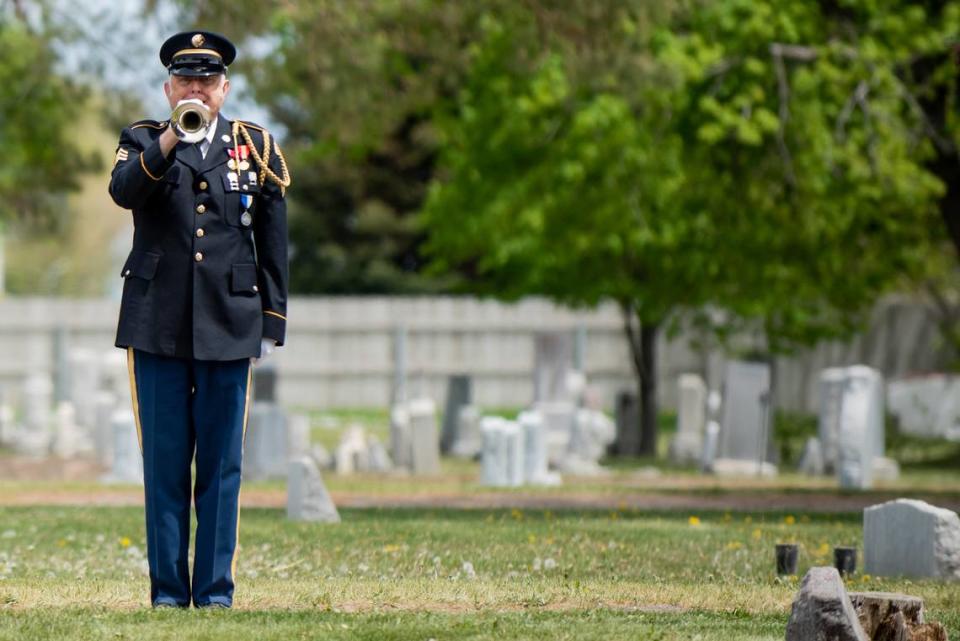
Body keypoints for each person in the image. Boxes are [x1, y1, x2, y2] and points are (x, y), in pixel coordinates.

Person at [108, 30, 291, 609]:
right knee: (164, 467)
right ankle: (167, 593)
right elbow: (124, 192)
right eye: (186, 80)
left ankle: (214, 593)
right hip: (157, 322)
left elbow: (272, 238)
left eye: (206, 81)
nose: (197, 89)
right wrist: (167, 140)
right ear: (168, 88)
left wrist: (272, 316)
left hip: (229, 321)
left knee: (221, 466)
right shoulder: (142, 140)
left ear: (225, 88)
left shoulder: (254, 145)